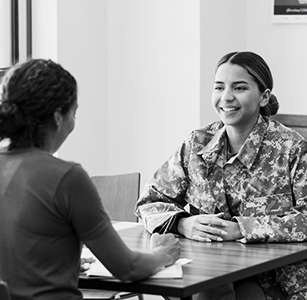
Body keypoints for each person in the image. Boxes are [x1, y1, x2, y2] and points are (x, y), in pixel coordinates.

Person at [0, 59, 181, 300]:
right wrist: (163, 253)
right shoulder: (66, 177)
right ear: (57, 117)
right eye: (74, 112)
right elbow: (128, 268)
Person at [134, 51, 307, 300]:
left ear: (263, 96)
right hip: (205, 270)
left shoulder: (292, 148)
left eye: (239, 87)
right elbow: (149, 202)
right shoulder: (196, 144)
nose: (226, 97)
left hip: (272, 279)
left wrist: (242, 229)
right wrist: (183, 223)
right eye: (219, 87)